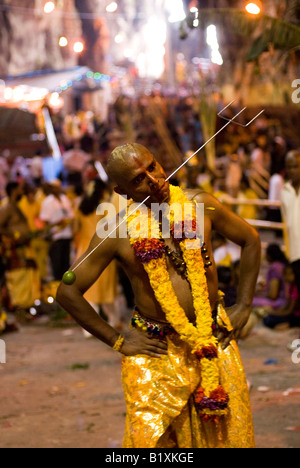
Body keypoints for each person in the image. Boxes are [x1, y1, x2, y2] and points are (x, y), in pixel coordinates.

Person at [57, 143, 261, 448]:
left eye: (152, 167)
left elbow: (251, 239)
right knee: (155, 444)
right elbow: (67, 291)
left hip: (212, 337)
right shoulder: (116, 230)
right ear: (122, 190)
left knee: (225, 437)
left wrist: (244, 304)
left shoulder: (200, 204)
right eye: (139, 179)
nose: (154, 180)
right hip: (157, 351)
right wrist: (118, 340)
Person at [73, 179, 119, 337]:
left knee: (88, 289)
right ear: (101, 191)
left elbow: (75, 229)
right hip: (102, 250)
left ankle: (89, 329)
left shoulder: (81, 207)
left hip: (84, 251)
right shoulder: (106, 206)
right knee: (105, 288)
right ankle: (113, 321)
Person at [0, 182, 39, 318]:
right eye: (19, 189)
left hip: (23, 249)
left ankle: (25, 308)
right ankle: (19, 309)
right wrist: (13, 237)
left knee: (26, 276)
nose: (22, 192)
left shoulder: (16, 207)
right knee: (18, 278)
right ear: (12, 191)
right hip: (14, 250)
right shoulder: (7, 208)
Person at [39, 179, 74, 282]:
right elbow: (44, 220)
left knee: (66, 263)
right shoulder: (47, 201)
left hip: (66, 234)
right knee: (56, 263)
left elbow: (71, 215)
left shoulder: (65, 199)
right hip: (55, 236)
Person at [280, 150, 300, 298]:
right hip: (294, 252)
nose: (292, 170)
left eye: (296, 166)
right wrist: (288, 252)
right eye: (289, 167)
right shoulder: (284, 191)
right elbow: (286, 223)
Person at [263, 263, 300, 329]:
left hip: (296, 316)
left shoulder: (296, 289)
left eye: (289, 274)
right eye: (284, 274)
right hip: (291, 314)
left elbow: (289, 311)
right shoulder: (291, 287)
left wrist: (275, 313)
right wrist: (274, 312)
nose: (286, 277)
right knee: (267, 318)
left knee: (269, 320)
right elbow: (286, 306)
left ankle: (290, 324)